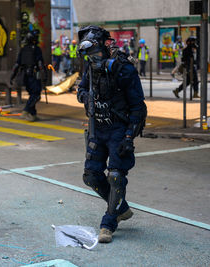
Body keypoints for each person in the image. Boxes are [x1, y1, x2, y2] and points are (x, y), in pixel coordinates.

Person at [76, 25, 147, 243]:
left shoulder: (123, 69)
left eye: (96, 54)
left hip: (118, 129)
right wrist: (86, 97)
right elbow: (81, 90)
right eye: (89, 56)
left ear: (106, 48)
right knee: (91, 176)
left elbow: (138, 107)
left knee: (116, 177)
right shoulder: (90, 66)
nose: (93, 59)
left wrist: (129, 137)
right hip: (98, 129)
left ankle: (108, 222)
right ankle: (120, 207)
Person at [10, 30, 46, 122]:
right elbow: (40, 63)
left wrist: (12, 76)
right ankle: (26, 111)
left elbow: (16, 65)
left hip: (24, 76)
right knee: (36, 94)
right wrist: (44, 75)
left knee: (32, 94)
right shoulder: (36, 49)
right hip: (33, 75)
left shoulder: (23, 49)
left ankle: (33, 114)